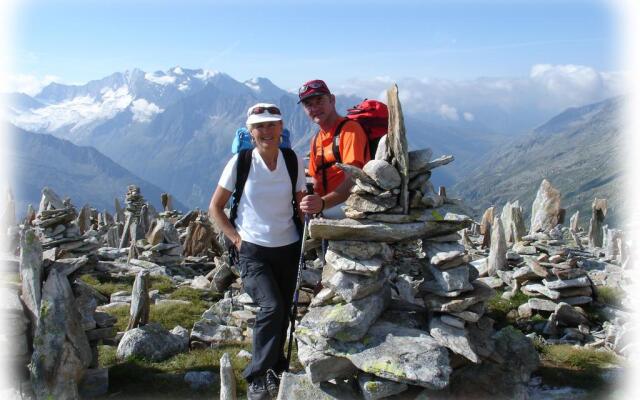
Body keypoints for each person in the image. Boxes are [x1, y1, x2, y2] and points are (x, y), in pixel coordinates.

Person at [209, 103, 306, 400]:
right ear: (251, 132)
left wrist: (312, 211)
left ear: (281, 129)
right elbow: (216, 207)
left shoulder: (292, 160)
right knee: (272, 307)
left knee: (285, 311)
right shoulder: (240, 162)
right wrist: (236, 240)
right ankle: (257, 376)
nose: (266, 131)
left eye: (272, 124)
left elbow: (301, 200)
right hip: (253, 250)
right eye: (260, 126)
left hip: (289, 247)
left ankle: (275, 368)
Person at [298, 79, 370, 218]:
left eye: (319, 101)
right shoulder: (316, 140)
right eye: (308, 104)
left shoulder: (349, 130)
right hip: (324, 208)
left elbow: (355, 179)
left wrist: (323, 203)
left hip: (347, 209)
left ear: (332, 100)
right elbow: (316, 179)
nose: (314, 108)